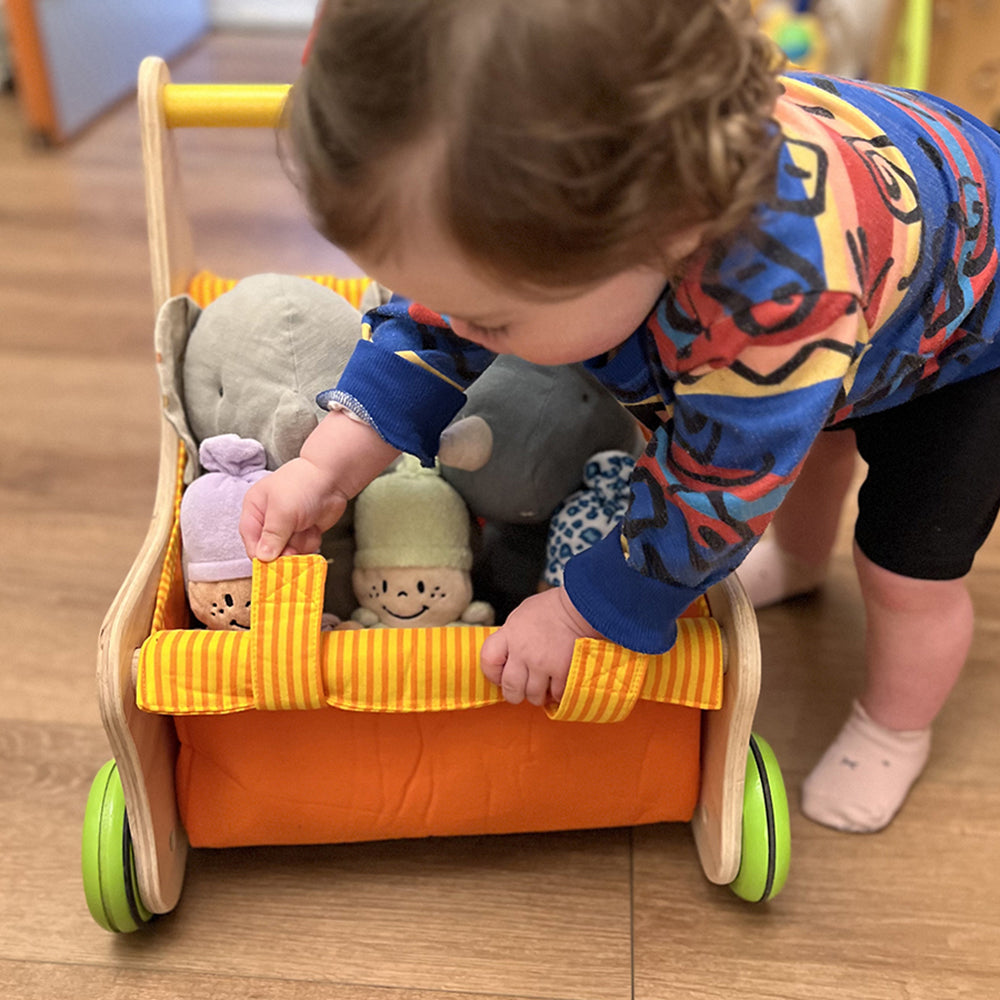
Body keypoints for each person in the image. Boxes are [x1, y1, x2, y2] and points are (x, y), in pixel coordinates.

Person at [238, 0, 1000, 834]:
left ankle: (895, 726)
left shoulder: (778, 295)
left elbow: (717, 489)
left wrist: (579, 608)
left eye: (489, 320)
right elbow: (428, 321)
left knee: (905, 568)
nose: (455, 324)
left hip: (969, 338)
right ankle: (802, 564)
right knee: (811, 444)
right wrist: (326, 467)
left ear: (668, 227)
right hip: (865, 296)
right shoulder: (568, 212)